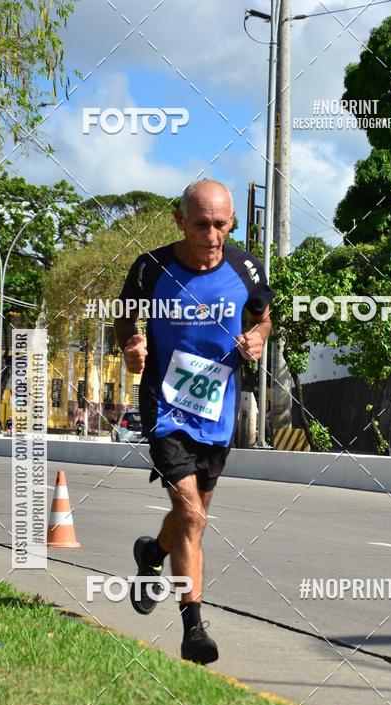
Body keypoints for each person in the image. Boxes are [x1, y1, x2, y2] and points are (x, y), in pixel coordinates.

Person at [115, 179, 272, 665]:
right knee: (193, 514)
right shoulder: (151, 268)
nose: (212, 235)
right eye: (201, 224)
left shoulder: (246, 268)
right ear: (181, 221)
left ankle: (152, 555)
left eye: (221, 224)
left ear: (231, 223)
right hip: (165, 408)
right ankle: (193, 628)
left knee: (191, 519)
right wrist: (131, 344)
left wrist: (259, 337)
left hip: (217, 412)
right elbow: (124, 316)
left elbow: (264, 316)